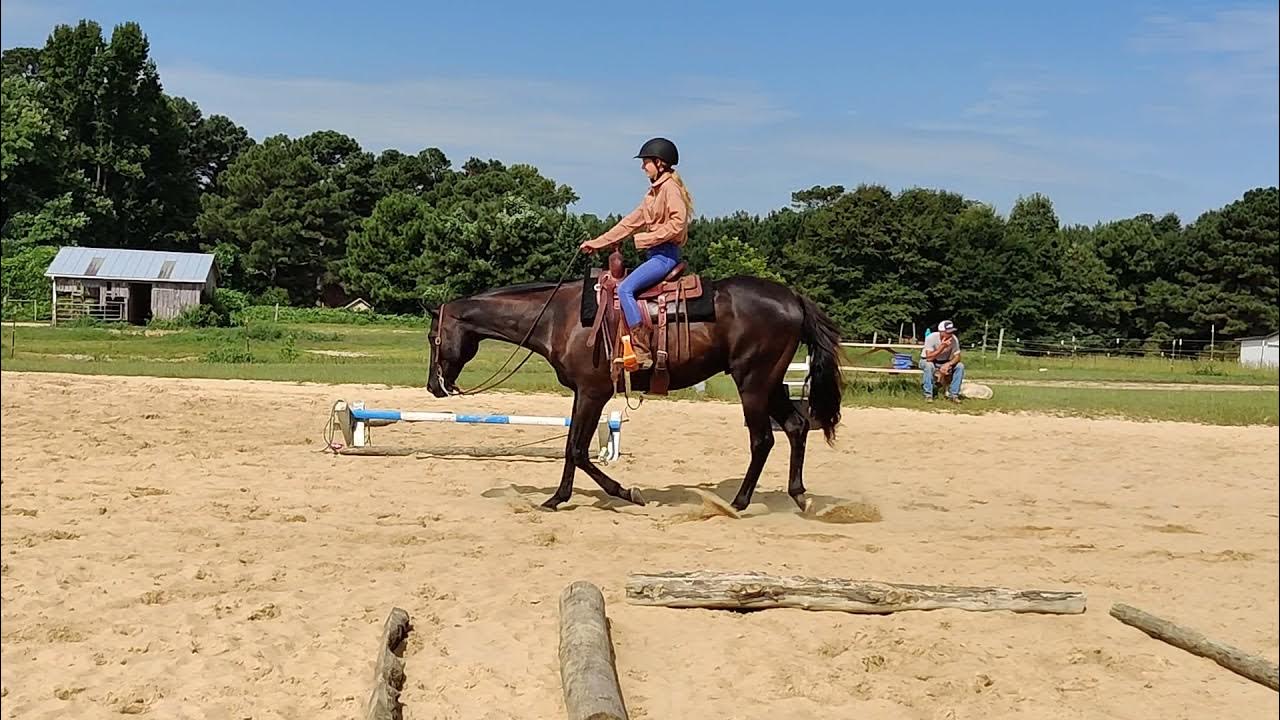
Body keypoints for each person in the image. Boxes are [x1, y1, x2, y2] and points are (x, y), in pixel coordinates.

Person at [579, 137, 694, 370]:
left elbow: (678, 224)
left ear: (659, 163)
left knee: (624, 289)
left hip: (665, 256)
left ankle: (641, 351)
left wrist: (644, 239)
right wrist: (597, 243)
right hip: (655, 255)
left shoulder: (670, 189)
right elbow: (628, 223)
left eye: (646, 162)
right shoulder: (652, 195)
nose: (643, 167)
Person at [920, 319, 964, 402]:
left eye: (951, 332)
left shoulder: (954, 339)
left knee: (960, 366)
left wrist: (949, 364)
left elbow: (957, 356)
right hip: (928, 361)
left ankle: (954, 395)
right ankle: (928, 395)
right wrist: (942, 347)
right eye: (948, 332)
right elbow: (929, 358)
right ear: (941, 331)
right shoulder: (931, 338)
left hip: (944, 361)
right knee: (929, 366)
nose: (950, 334)